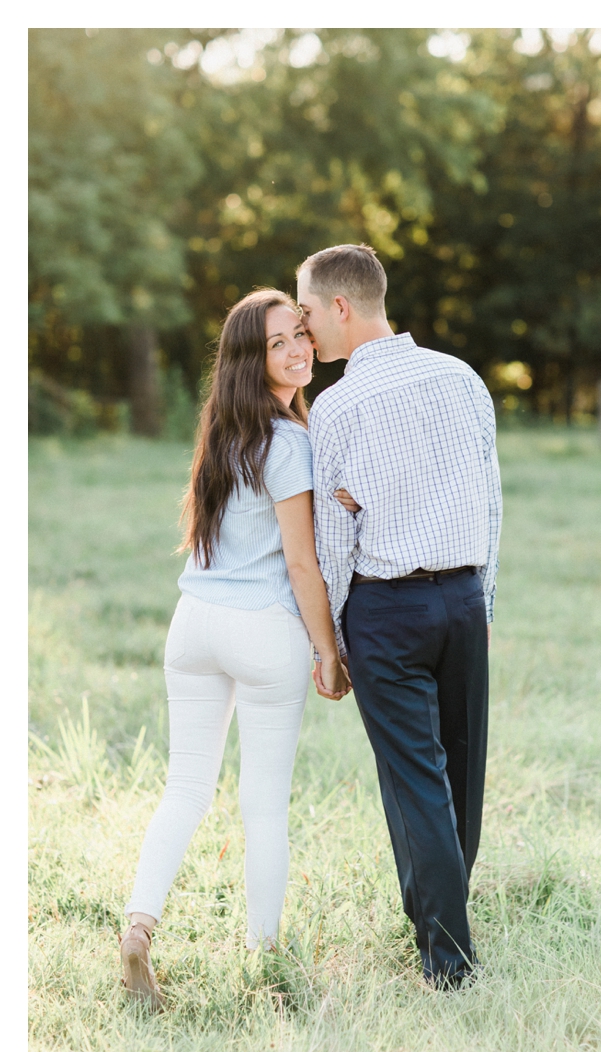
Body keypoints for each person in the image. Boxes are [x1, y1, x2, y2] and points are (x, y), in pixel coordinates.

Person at [120, 289, 351, 1010]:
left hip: (194, 622)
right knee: (264, 806)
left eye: (302, 336)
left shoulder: (223, 430)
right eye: (280, 341)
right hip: (261, 630)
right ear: (253, 358)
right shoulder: (289, 442)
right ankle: (266, 956)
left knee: (184, 789)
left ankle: (138, 924)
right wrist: (329, 649)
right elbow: (303, 563)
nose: (299, 350)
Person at [297, 243, 501, 989]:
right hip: (463, 598)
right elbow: (491, 501)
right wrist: (485, 598)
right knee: (461, 773)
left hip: (385, 605)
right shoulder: (462, 378)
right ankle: (435, 918)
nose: (305, 326)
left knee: (415, 778)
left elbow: (331, 537)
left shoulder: (339, 406)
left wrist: (339, 637)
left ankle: (448, 962)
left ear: (342, 307)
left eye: (309, 311)